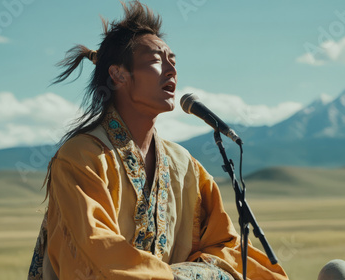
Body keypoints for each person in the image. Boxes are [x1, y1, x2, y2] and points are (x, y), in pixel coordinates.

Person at [27, 1, 288, 279]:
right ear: (118, 74)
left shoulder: (185, 165)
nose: (171, 70)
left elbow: (225, 246)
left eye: (173, 61)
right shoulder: (81, 157)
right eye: (155, 60)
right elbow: (95, 253)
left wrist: (198, 273)